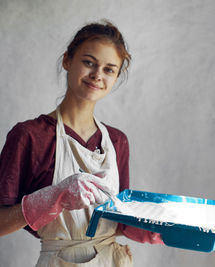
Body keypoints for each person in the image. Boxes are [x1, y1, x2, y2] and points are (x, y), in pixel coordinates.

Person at [0, 20, 163, 266]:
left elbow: (117, 221)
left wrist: (155, 230)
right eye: (89, 62)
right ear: (68, 60)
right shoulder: (30, 136)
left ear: (117, 76)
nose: (98, 75)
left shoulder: (117, 141)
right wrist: (54, 197)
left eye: (109, 69)